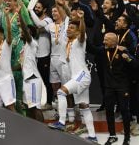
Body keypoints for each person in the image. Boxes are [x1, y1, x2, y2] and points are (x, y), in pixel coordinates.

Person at [48, 10, 97, 143]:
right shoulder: (66, 42)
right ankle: (93, 136)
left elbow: (81, 32)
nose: (69, 29)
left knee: (61, 92)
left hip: (82, 75)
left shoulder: (80, 41)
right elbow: (64, 21)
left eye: (72, 28)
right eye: (68, 27)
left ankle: (62, 122)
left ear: (77, 32)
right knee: (84, 106)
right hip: (77, 77)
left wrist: (81, 20)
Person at [18, 12, 44, 122]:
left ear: (30, 33)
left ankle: (43, 133)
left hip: (33, 79)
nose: (21, 32)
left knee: (36, 108)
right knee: (29, 108)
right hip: (27, 80)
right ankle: (32, 131)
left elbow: (25, 30)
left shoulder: (32, 43)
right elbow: (21, 66)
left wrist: (20, 14)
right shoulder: (23, 48)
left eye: (24, 31)